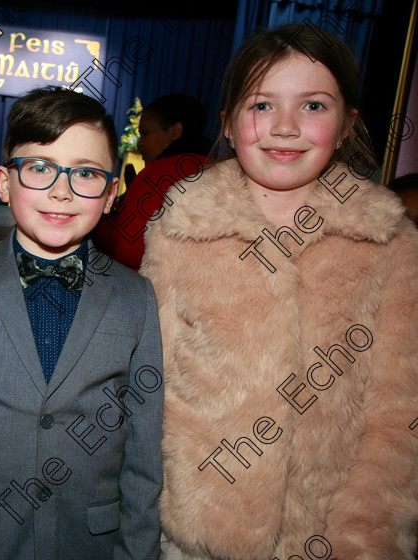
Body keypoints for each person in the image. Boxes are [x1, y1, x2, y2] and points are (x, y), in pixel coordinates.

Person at [142, 24, 418, 559]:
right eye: (262, 105)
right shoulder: (179, 229)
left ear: (346, 125)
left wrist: (364, 537)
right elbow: (152, 387)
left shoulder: (390, 242)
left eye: (314, 106)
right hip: (188, 539)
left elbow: (399, 415)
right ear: (228, 121)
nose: (286, 128)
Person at [0, 86, 163, 560]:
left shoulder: (137, 298)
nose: (61, 190)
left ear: (111, 193)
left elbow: (144, 449)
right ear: (5, 182)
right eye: (40, 168)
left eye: (86, 173)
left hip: (88, 541)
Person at [93, 93, 212, 270]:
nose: (139, 143)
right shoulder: (217, 167)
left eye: (145, 133)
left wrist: (99, 223)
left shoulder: (161, 171)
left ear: (175, 132)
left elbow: (126, 246)